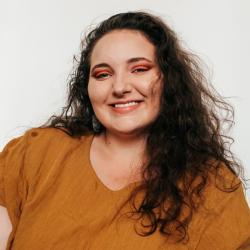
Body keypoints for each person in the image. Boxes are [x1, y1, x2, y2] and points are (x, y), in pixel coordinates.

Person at [0, 11, 250, 250]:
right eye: (103, 74)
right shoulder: (36, 154)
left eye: (139, 69)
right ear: (87, 87)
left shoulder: (212, 186)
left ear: (168, 79)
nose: (119, 86)